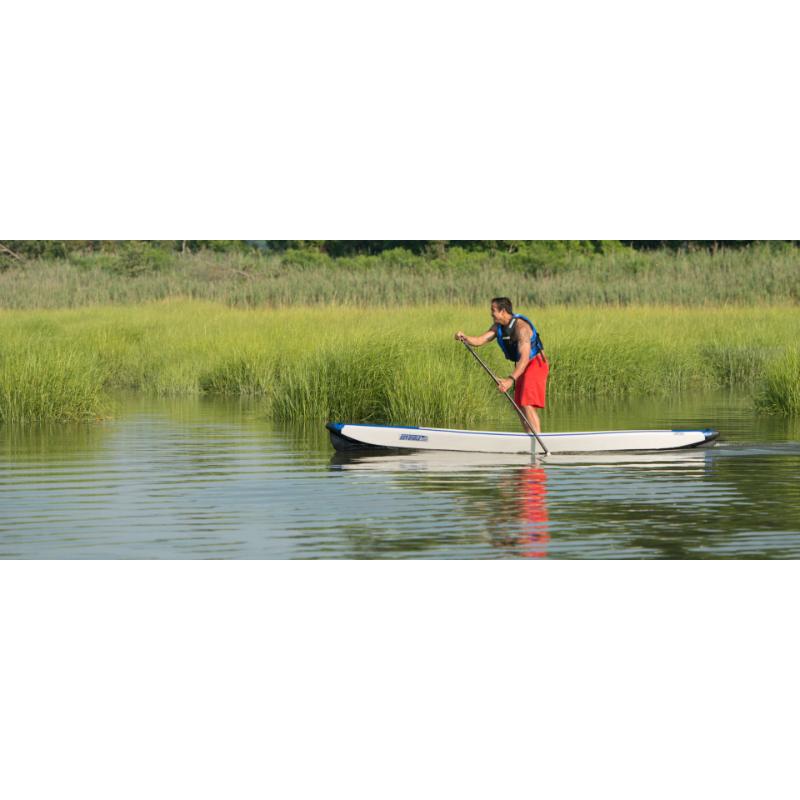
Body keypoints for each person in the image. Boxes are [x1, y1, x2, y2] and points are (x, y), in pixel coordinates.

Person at [454, 297, 549, 434]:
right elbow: (480, 340)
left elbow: (524, 359)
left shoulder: (521, 328)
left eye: (493, 310)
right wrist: (465, 337)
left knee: (527, 403)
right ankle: (530, 437)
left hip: (535, 364)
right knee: (519, 405)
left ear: (503, 311)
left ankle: (538, 440)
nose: (491, 314)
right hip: (523, 366)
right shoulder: (498, 327)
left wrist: (510, 380)